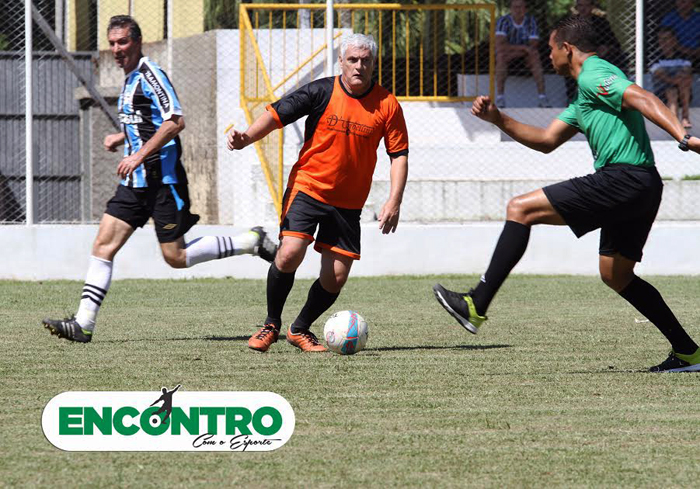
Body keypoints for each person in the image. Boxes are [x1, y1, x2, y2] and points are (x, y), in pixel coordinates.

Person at [433, 16, 700, 372]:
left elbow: (640, 96)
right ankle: (688, 352)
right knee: (615, 275)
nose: (549, 55)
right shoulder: (586, 95)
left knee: (520, 208)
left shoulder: (594, 73)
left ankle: (476, 303)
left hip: (624, 178)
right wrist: (499, 119)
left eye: (551, 48)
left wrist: (681, 137)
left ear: (567, 49)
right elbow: (546, 141)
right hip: (644, 184)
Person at [42, 16, 276, 343]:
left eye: (122, 42)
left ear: (137, 42)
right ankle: (83, 324)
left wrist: (138, 155)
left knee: (175, 257)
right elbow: (144, 123)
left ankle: (249, 241)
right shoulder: (129, 79)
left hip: (163, 182)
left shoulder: (151, 74)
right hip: (134, 184)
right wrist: (122, 138)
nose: (116, 49)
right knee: (102, 246)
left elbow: (174, 121)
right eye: (112, 43)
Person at [227, 33, 409, 353]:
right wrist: (247, 137)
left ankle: (300, 329)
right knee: (289, 253)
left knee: (335, 278)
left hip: (348, 204)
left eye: (366, 60)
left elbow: (399, 154)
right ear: (341, 61)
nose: (359, 66)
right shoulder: (321, 91)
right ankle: (270, 325)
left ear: (373, 64)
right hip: (308, 188)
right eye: (352, 59)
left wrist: (394, 199)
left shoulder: (387, 104)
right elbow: (277, 114)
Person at [565, 0, 627, 102]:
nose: (583, 9)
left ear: (592, 7)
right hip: (578, 55)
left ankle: (614, 94)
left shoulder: (601, 23)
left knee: (619, 57)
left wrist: (606, 48)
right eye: (580, 5)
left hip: (599, 56)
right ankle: (571, 98)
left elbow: (614, 44)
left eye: (587, 5)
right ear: (576, 7)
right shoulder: (571, 23)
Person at [495, 0, 550, 108]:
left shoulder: (531, 21)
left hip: (524, 56)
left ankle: (542, 97)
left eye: (520, 7)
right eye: (515, 7)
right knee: (501, 55)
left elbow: (534, 45)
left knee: (535, 55)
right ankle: (500, 98)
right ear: (510, 9)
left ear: (525, 9)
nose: (517, 10)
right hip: (511, 56)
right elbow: (500, 45)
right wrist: (524, 48)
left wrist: (516, 49)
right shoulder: (503, 21)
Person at [651, 27, 694, 129]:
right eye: (661, 39)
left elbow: (687, 70)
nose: (664, 42)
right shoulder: (655, 56)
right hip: (661, 92)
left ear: (674, 40)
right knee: (672, 92)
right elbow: (661, 76)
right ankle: (675, 123)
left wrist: (679, 79)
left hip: (683, 92)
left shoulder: (683, 55)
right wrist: (677, 79)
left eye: (667, 38)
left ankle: (685, 117)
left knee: (683, 85)